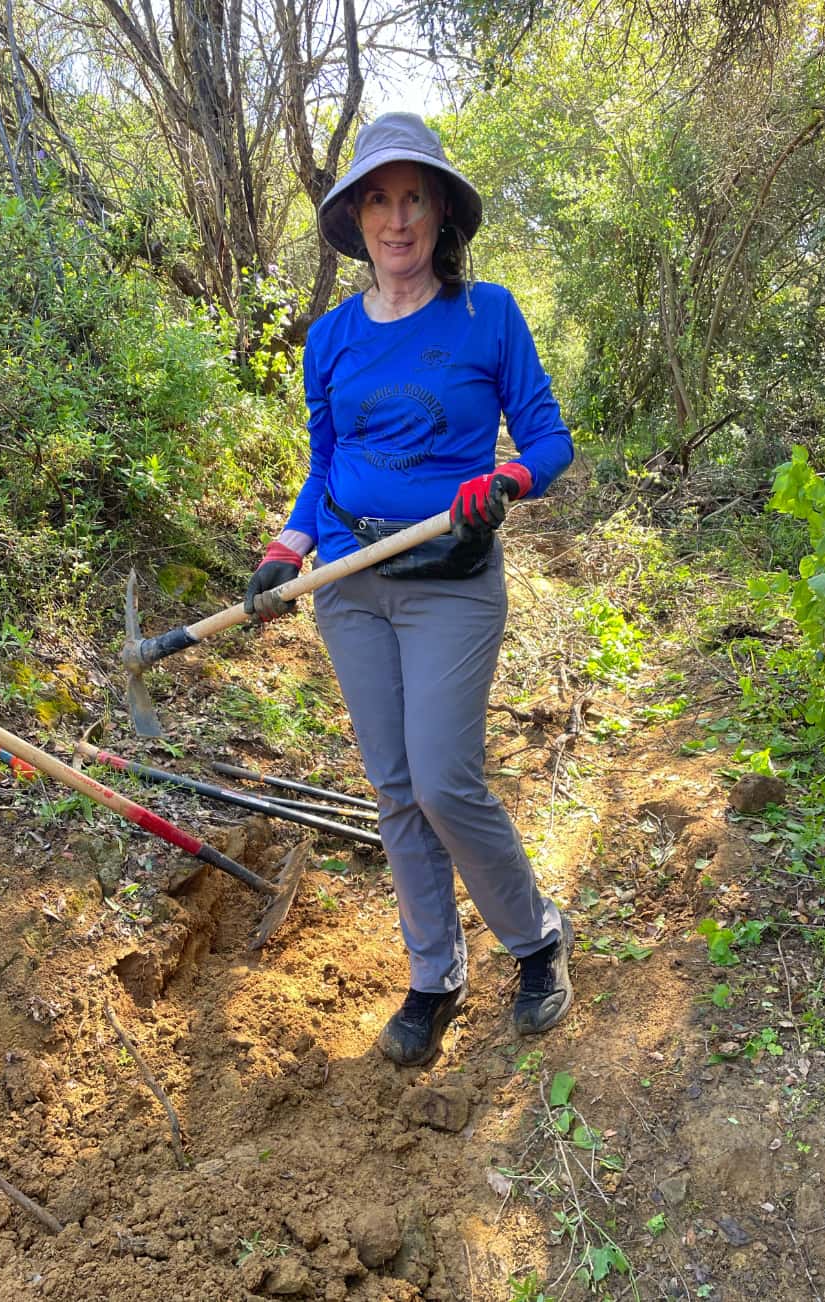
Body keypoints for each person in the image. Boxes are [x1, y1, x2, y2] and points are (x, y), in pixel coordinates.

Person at [244, 113, 576, 1066]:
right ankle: (435, 974)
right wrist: (288, 541)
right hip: (351, 581)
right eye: (379, 199)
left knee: (443, 779)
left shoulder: (488, 316)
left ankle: (535, 938)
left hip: (450, 582)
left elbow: (549, 442)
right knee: (394, 788)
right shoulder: (331, 339)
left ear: (440, 214)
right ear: (357, 216)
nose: (397, 220)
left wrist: (508, 480)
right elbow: (325, 464)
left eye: (413, 198)